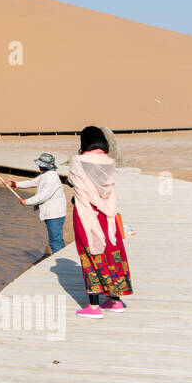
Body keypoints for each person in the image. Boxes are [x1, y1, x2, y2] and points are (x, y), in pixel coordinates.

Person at [68, 126, 132, 319]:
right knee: (112, 254)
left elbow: (75, 184)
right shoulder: (109, 163)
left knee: (90, 255)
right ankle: (115, 300)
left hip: (88, 216)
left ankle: (94, 306)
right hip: (107, 216)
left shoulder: (78, 162)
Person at [9, 153, 65, 260]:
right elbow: (31, 182)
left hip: (55, 214)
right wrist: (14, 184)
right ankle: (60, 257)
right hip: (53, 213)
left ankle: (58, 261)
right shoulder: (46, 175)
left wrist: (27, 202)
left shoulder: (51, 178)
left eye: (41, 165)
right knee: (57, 238)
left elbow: (43, 196)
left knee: (55, 240)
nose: (39, 166)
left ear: (46, 166)